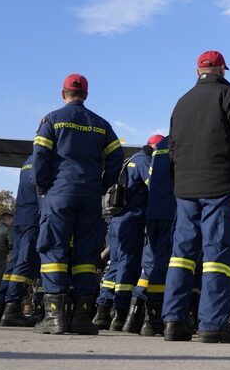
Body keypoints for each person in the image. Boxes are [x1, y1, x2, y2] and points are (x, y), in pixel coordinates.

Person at [162, 50, 230, 343]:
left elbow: (172, 145)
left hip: (185, 188)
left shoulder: (182, 102)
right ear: (222, 70)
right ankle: (212, 324)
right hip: (218, 185)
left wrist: (179, 177)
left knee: (181, 256)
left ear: (197, 71)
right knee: (217, 254)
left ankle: (173, 321)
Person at [33, 73, 124, 335]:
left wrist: (43, 185)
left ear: (63, 93)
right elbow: (117, 155)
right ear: (85, 95)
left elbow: (39, 155)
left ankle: (54, 318)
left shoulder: (52, 119)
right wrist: (104, 185)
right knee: (86, 255)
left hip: (59, 193)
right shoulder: (101, 124)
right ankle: (82, 318)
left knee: (53, 250)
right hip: (89, 196)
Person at [99, 134, 161, 332]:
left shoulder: (129, 160)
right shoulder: (144, 161)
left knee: (114, 264)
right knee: (128, 263)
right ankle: (120, 312)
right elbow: (154, 185)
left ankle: (103, 310)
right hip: (132, 219)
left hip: (117, 220)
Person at [125, 135, 175, 336]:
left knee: (148, 266)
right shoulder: (177, 144)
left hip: (151, 212)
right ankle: (153, 320)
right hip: (169, 212)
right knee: (162, 265)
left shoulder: (155, 153)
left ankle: (132, 319)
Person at [0, 156, 42, 327]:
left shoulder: (27, 161)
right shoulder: (44, 159)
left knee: (13, 264)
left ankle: (0, 308)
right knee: (25, 263)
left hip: (21, 218)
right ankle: (12, 309)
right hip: (33, 218)